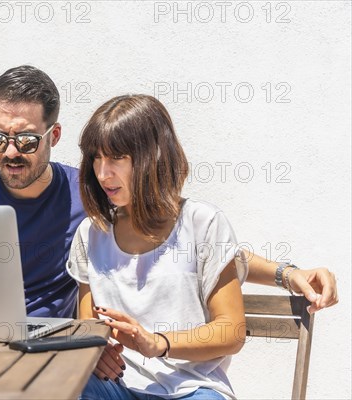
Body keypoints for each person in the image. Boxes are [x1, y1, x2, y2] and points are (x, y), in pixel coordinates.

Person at [0, 65, 338, 321]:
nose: (10, 152)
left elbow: (189, 238)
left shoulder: (91, 193)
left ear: (52, 135)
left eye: (25, 140)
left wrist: (288, 273)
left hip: (55, 350)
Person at [69, 94, 246, 399]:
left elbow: (232, 331)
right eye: (96, 158)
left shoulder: (204, 223)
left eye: (116, 158)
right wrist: (95, 349)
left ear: (153, 157)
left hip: (191, 388)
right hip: (117, 386)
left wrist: (157, 343)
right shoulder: (91, 233)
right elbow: (89, 325)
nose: (102, 173)